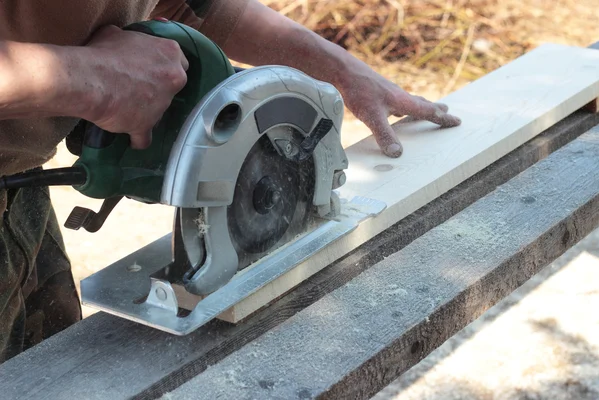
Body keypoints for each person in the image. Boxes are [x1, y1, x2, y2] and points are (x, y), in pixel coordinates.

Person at [0, 0, 461, 363]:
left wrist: (344, 72)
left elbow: (197, 7)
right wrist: (87, 75)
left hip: (18, 186)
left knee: (51, 371)